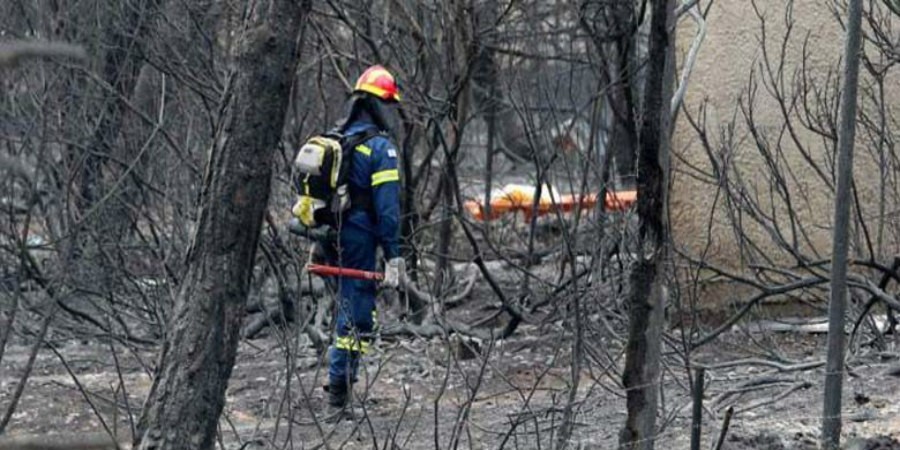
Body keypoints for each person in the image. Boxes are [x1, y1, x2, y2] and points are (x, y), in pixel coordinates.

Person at [317, 65, 405, 415]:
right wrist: (394, 254)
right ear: (379, 105)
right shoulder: (380, 148)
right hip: (359, 238)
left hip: (331, 235)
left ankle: (341, 387)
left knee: (349, 309)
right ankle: (337, 398)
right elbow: (387, 210)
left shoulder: (339, 138)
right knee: (357, 316)